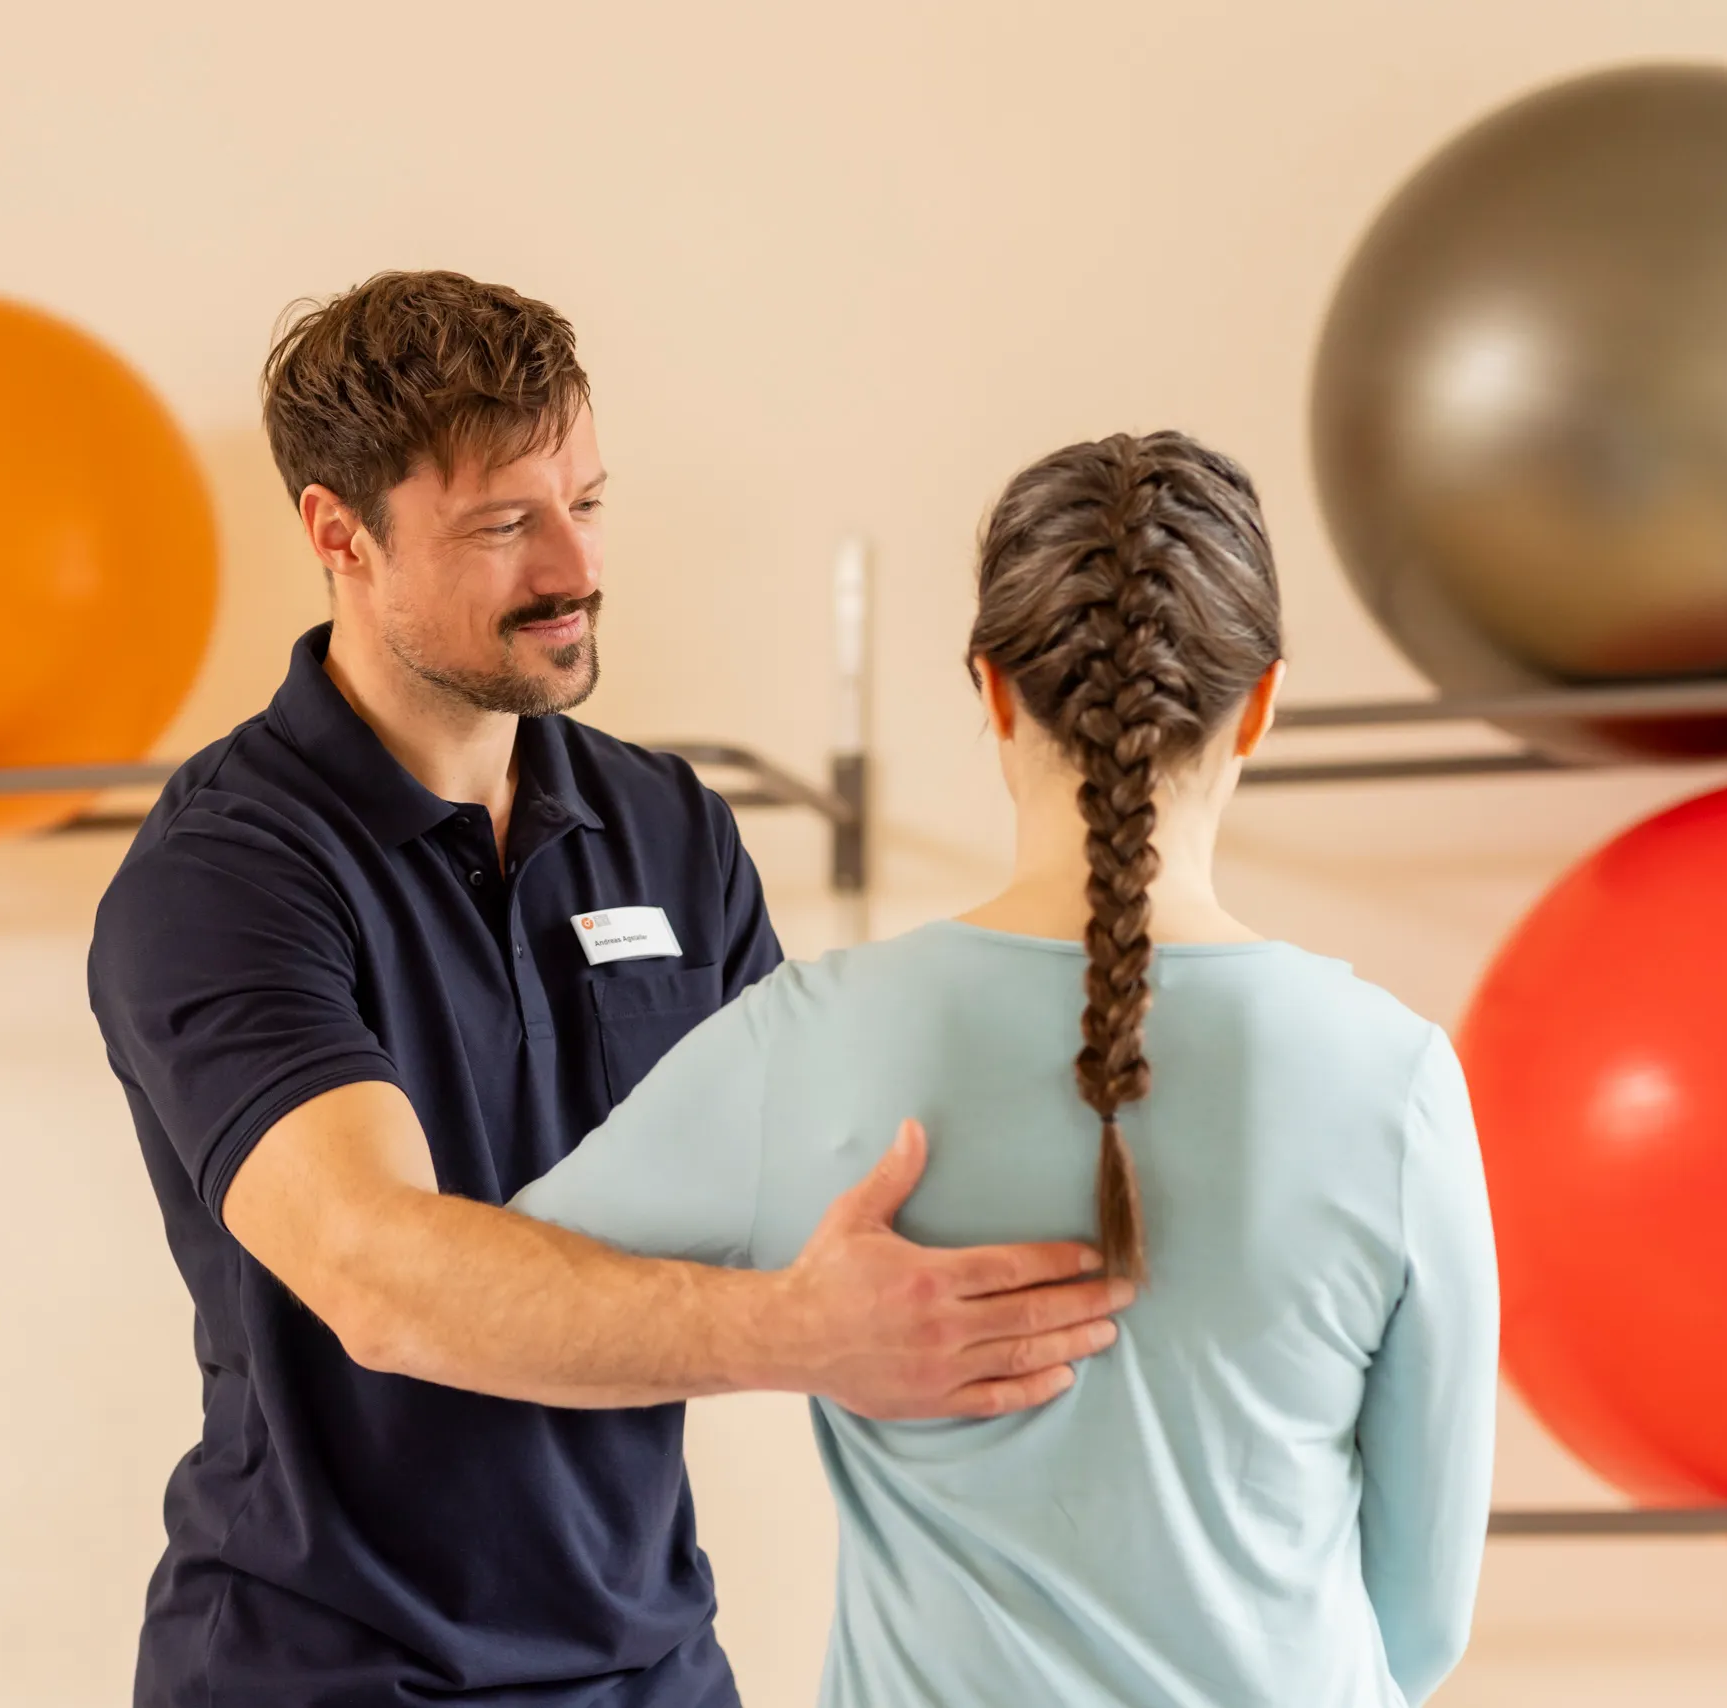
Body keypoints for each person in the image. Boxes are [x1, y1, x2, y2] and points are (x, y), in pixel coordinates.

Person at [86, 271, 1134, 1707]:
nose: (573, 564)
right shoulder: (227, 874)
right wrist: (809, 1337)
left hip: (649, 1666)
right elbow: (378, 1274)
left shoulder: (666, 829)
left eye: (587, 500)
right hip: (325, 1672)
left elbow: (812, 1184)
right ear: (339, 534)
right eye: (504, 523)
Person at [514, 431, 1502, 1707]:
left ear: (989, 690)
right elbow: (1422, 1617)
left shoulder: (812, 1036)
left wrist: (769, 1333)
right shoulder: (1396, 1081)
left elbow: (498, 1304)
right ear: (1259, 703)